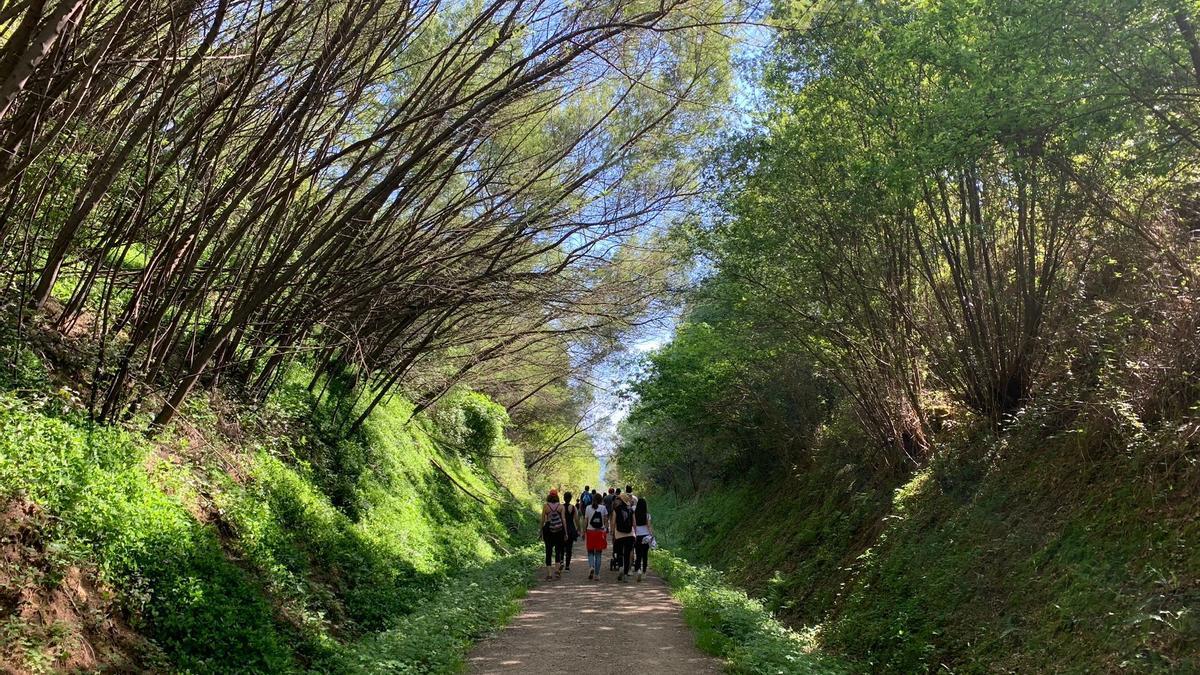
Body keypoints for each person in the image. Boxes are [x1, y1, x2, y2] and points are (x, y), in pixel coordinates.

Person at [540, 489, 567, 580]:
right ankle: (557, 572)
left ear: (549, 496)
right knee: (558, 551)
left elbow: (543, 520)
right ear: (557, 496)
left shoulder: (545, 506)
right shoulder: (561, 506)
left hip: (548, 530)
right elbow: (563, 519)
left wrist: (540, 531)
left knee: (548, 551)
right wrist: (565, 532)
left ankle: (549, 575)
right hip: (559, 530)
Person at [610, 491, 635, 582]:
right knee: (627, 554)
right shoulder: (631, 509)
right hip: (629, 535)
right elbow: (634, 523)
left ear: (621, 500)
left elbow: (613, 522)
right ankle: (625, 574)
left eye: (619, 499)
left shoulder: (616, 509)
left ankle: (620, 567)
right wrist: (634, 533)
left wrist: (612, 532)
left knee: (620, 552)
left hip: (619, 534)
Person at [584, 494, 608, 580]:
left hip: (590, 532)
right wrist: (605, 529)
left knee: (590, 552)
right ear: (601, 500)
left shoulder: (588, 508)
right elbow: (606, 520)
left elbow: (586, 521)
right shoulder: (603, 508)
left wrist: (584, 532)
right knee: (598, 554)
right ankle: (597, 575)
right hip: (599, 532)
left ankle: (591, 567)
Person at [632, 496, 654, 582]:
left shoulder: (634, 514)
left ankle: (638, 570)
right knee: (645, 555)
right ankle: (644, 572)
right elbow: (649, 526)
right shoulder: (647, 515)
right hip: (646, 536)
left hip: (638, 536)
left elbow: (634, 525)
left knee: (638, 555)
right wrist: (652, 534)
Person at [563, 491, 579, 571]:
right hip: (571, 529)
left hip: (562, 529)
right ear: (570, 499)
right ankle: (567, 566)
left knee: (561, 547)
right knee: (569, 548)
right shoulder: (573, 507)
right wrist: (578, 528)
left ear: (564, 498)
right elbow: (576, 519)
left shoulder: (560, 507)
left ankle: (561, 562)